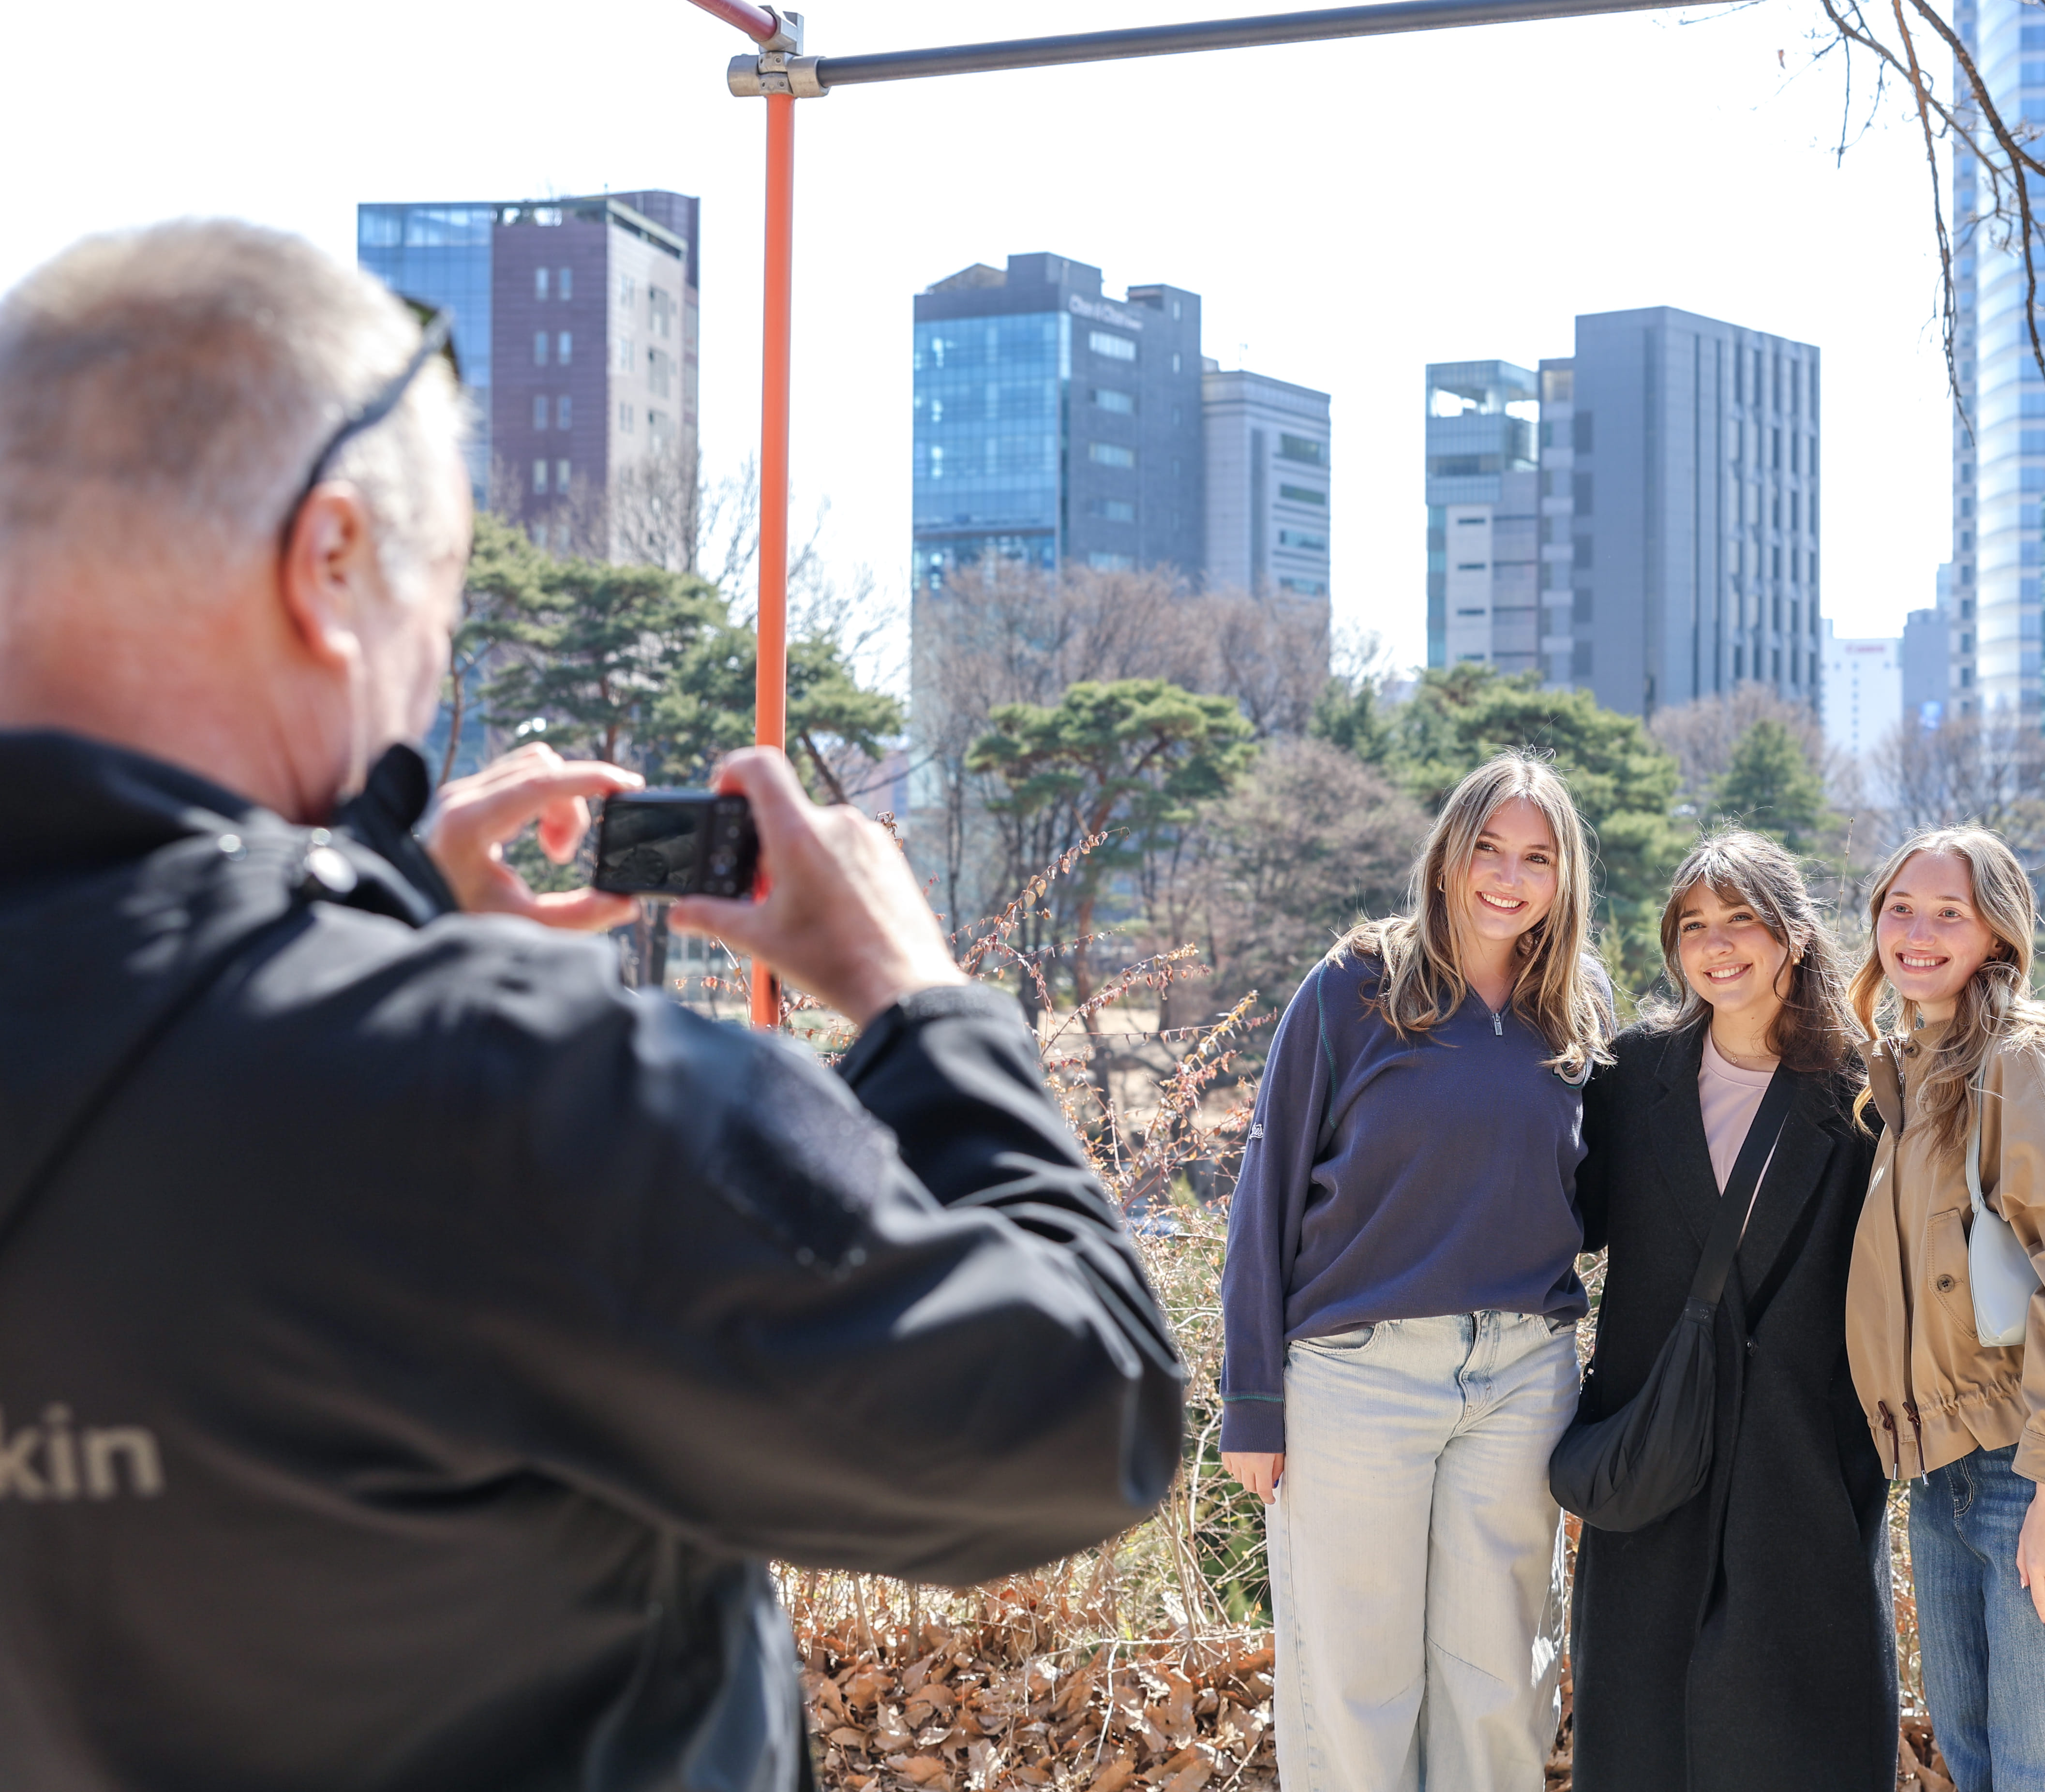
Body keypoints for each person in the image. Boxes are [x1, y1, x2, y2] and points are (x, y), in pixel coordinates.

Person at [0, 221, 1186, 1791]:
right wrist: (921, 1002)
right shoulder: (497, 1092)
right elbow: (1077, 1412)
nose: (426, 679)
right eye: (442, 602)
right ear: (330, 560)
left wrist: (369, 915)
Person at [1218, 752, 1614, 1792]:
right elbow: (1265, 1190)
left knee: (1499, 1684)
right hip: (1356, 1377)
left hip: (1524, 1378)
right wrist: (1252, 1400)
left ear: (1564, 876)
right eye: (1488, 846)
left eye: (1537, 855)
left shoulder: (1573, 1007)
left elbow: (1605, 1199)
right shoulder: (1355, 987)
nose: (1508, 875)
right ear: (1449, 853)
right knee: (1358, 1684)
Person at [1843, 827, 2045, 1792]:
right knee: (1987, 1773)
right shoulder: (1909, 1069)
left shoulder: (2021, 1059)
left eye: (1950, 912)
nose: (1918, 930)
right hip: (1947, 1479)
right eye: (1901, 907)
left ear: (1998, 933)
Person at [1566, 831, 1897, 1792]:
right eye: (1693, 925)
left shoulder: (1863, 1091)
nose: (1716, 945)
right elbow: (1554, 1221)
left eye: (1739, 919)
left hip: (1805, 1475)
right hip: (1657, 1457)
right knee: (1641, 1742)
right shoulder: (1631, 1077)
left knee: (1802, 1746)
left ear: (1793, 934)